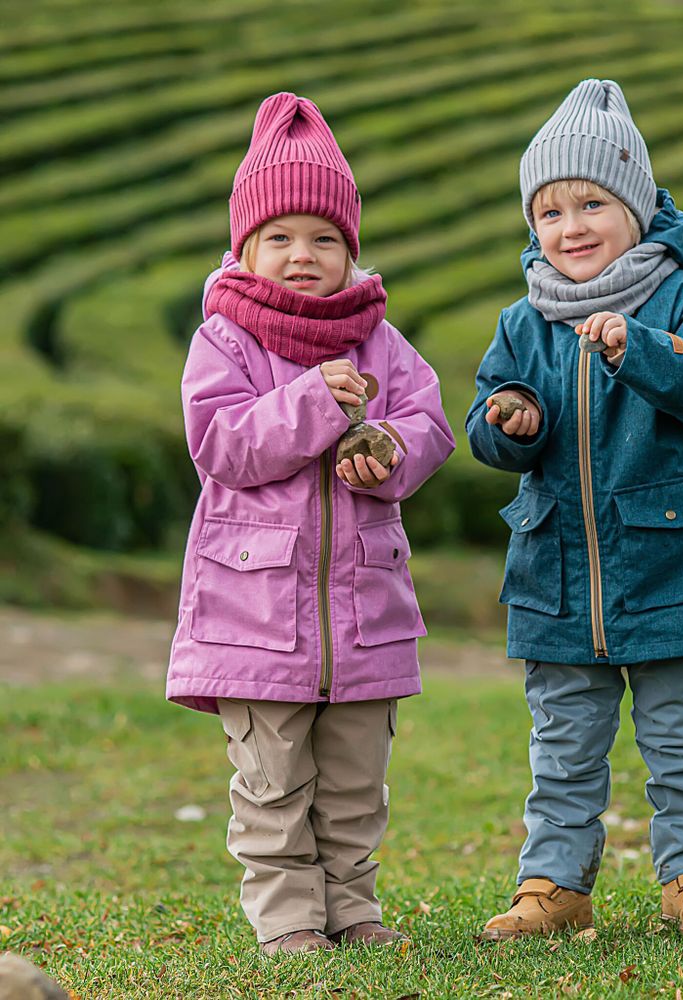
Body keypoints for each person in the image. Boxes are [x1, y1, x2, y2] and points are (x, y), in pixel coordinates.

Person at [466, 79, 683, 940]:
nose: (571, 227)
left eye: (592, 202)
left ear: (636, 207)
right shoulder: (524, 323)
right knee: (563, 747)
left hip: (675, 571)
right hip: (557, 578)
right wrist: (511, 425)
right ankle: (554, 885)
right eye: (550, 213)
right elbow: (491, 428)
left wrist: (644, 349)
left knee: (681, 742)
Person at [166, 92, 454, 955]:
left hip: (363, 617)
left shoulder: (382, 343)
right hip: (257, 620)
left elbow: (429, 424)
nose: (304, 256)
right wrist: (311, 405)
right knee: (272, 779)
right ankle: (290, 919)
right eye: (281, 237)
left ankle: (353, 909)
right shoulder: (224, 340)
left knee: (356, 783)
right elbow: (222, 444)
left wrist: (385, 449)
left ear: (351, 250)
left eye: (325, 239)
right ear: (246, 246)